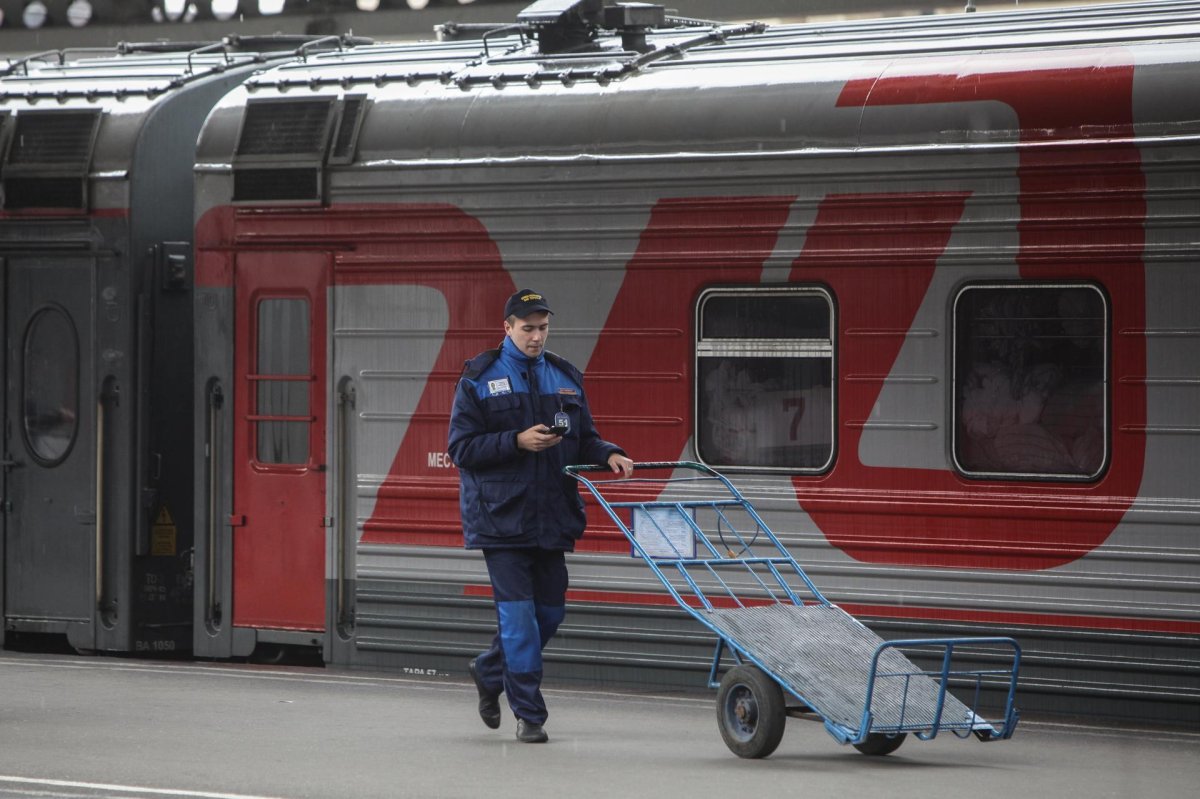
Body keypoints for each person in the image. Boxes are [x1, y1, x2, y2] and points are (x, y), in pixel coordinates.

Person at [448, 288, 634, 744]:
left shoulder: (565, 377)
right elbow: (460, 449)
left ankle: (489, 669)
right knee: (519, 620)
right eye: (527, 328)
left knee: (549, 614)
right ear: (507, 328)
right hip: (501, 520)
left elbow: (585, 437)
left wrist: (609, 454)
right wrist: (516, 441)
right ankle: (530, 716)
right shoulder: (478, 379)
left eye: (543, 328)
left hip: (552, 516)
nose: (536, 337)